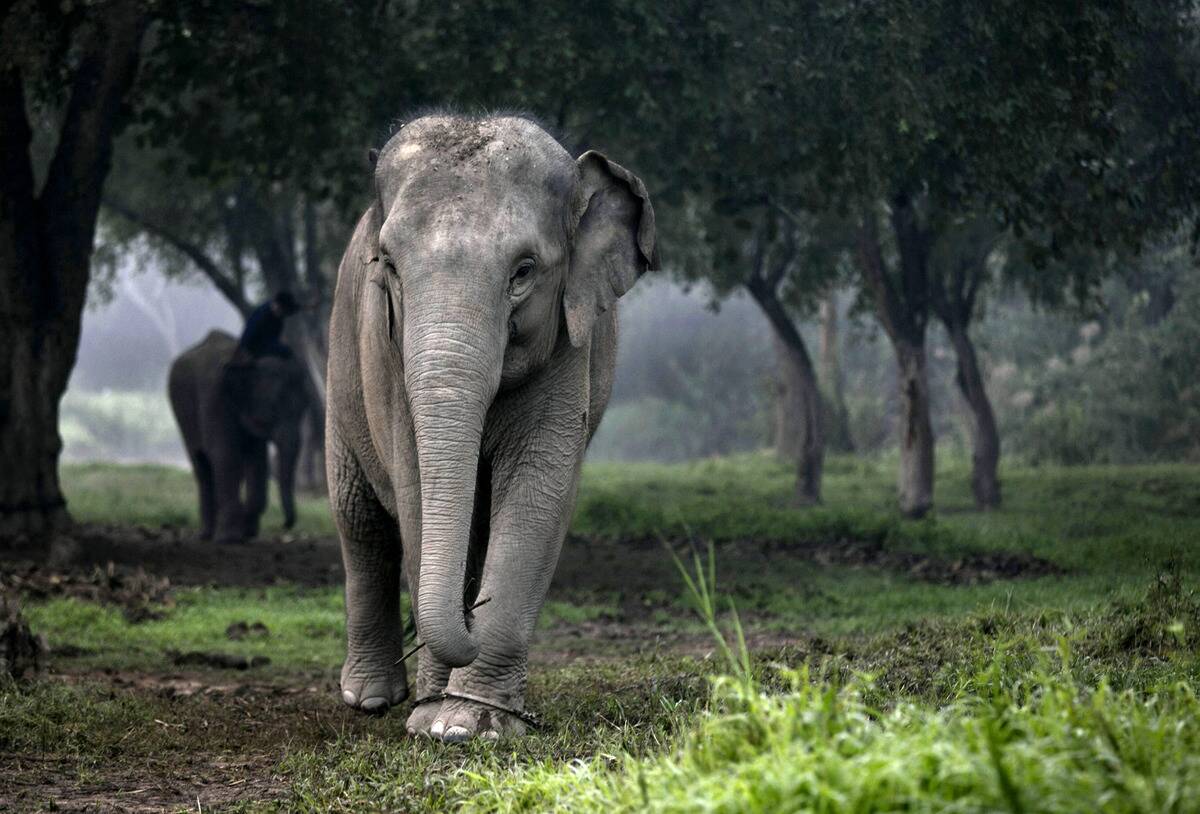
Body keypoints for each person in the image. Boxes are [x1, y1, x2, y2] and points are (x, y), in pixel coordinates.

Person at [238, 290, 299, 359]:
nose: (282, 312)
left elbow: (294, 308)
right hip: (257, 345)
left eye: (284, 310)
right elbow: (249, 332)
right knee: (285, 351)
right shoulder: (262, 315)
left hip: (270, 341)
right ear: (277, 304)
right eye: (281, 309)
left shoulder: (280, 312)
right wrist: (244, 350)